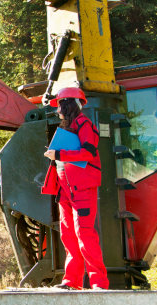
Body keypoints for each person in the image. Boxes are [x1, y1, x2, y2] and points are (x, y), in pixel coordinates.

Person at [41, 87, 109, 290]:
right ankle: (72, 282)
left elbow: (88, 153)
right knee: (69, 236)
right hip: (65, 191)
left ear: (68, 105)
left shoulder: (86, 125)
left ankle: (99, 283)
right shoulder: (67, 128)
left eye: (60, 105)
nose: (57, 110)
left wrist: (59, 154)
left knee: (85, 234)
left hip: (82, 189)